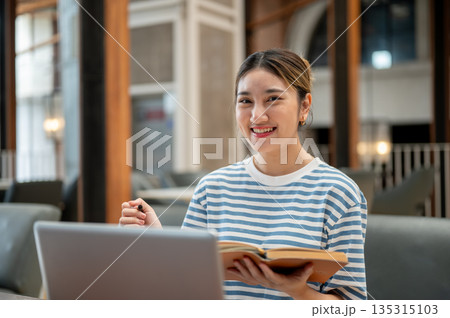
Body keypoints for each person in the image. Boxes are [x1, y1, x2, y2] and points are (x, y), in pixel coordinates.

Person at [120, 48, 367, 300]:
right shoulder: (212, 188)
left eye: (273, 98)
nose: (257, 115)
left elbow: (352, 305)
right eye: (245, 101)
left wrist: (298, 291)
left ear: (304, 107)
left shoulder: (338, 193)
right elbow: (184, 287)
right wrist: (155, 243)